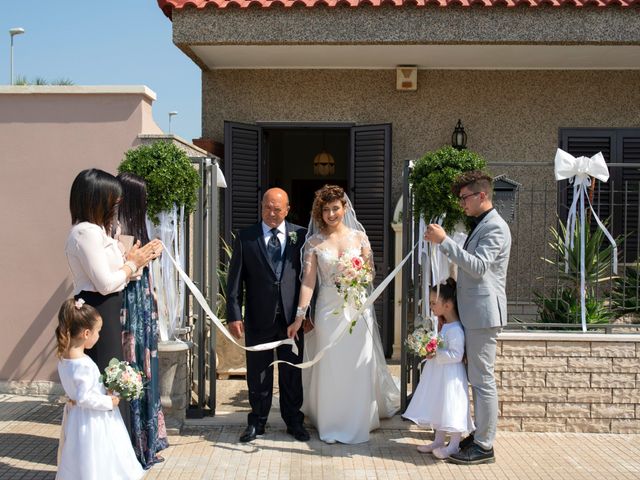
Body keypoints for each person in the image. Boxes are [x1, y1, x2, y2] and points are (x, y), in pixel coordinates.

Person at [289, 185, 400, 444]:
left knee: (358, 362)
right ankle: (331, 420)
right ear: (320, 212)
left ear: (344, 208)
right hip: (328, 309)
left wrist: (356, 274)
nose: (331, 214)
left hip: (357, 309)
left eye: (335, 208)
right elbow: (308, 282)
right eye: (325, 209)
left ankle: (359, 418)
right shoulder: (314, 243)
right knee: (332, 364)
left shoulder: (360, 237)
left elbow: (370, 273)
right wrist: (299, 316)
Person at [424, 170, 511, 465]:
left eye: (465, 197)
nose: (462, 203)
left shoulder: (495, 227)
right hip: (474, 314)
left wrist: (445, 242)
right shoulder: (482, 225)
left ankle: (484, 445)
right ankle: (478, 436)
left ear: (481, 195)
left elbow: (478, 267)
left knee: (482, 381)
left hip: (484, 316)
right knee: (477, 380)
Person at [65, 168, 161, 427]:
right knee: (110, 379)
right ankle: (110, 445)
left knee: (115, 377)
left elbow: (116, 275)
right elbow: (105, 283)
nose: (116, 205)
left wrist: (132, 261)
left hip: (107, 307)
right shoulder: (86, 233)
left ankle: (122, 445)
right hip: (98, 307)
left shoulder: (96, 231)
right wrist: (132, 264)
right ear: (96, 199)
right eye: (113, 199)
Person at [226, 187, 310, 443]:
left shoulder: (302, 236)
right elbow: (234, 282)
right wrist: (233, 315)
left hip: (291, 320)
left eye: (277, 209)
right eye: (267, 207)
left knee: (291, 372)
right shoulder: (246, 237)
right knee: (258, 373)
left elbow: (309, 280)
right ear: (261, 206)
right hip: (257, 317)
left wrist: (306, 315)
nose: (271, 213)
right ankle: (257, 422)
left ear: (287, 209)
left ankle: (294, 420)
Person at [55, 298, 144, 480]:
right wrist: (110, 401)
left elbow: (79, 391)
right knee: (99, 453)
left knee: (79, 454)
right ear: (87, 333)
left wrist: (105, 387)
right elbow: (85, 397)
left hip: (76, 418)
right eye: (98, 331)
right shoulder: (84, 365)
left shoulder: (63, 359)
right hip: (93, 419)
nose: (99, 336)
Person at [117, 172, 168, 468]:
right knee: (135, 364)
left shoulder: (137, 225)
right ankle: (136, 441)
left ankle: (149, 439)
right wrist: (142, 258)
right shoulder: (116, 229)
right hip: (131, 308)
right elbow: (126, 268)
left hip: (144, 305)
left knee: (148, 366)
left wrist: (153, 253)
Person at [402, 279, 474, 459]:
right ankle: (439, 440)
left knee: (452, 405)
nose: (431, 307)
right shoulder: (445, 325)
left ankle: (454, 445)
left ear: (448, 305)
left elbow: (457, 355)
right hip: (441, 373)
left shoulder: (456, 329)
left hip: (451, 376)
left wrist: (436, 353)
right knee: (442, 403)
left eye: (434, 303)